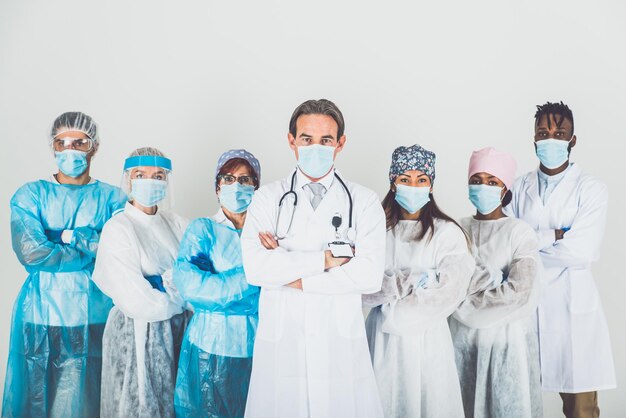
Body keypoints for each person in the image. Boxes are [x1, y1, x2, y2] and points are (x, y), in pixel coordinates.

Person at [240, 99, 385, 417]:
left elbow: (369, 275)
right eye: (306, 139)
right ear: (291, 140)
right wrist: (326, 260)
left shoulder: (363, 201)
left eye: (326, 140)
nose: (315, 147)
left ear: (341, 143)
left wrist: (291, 273)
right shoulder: (267, 199)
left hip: (338, 342)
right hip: (283, 340)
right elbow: (256, 269)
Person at [2, 112, 125, 418]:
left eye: (79, 142)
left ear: (93, 147)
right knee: (35, 402)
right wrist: (88, 243)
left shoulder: (113, 199)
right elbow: (33, 252)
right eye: (62, 142)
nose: (70, 149)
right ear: (53, 147)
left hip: (93, 315)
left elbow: (116, 249)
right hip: (40, 313)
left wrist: (63, 236)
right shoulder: (30, 195)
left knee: (85, 404)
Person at [506, 102, 616, 418]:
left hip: (572, 311)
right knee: (517, 399)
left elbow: (582, 251)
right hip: (527, 306)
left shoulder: (591, 188)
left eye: (560, 133)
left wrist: (531, 244)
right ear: (534, 140)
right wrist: (555, 234)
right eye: (544, 133)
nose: (551, 138)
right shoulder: (517, 187)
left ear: (573, 140)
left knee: (581, 408)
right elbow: (508, 247)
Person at [362, 144, 475, 418]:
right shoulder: (373, 231)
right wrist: (412, 280)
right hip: (381, 342)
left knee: (429, 404)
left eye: (421, 180)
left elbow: (450, 291)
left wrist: (392, 298)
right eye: (405, 179)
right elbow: (361, 287)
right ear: (393, 183)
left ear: (431, 185)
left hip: (428, 342)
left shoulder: (447, 234)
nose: (413, 186)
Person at [91, 147, 189, 418]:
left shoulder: (176, 223)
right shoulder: (119, 228)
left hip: (177, 333)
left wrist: (164, 285)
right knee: (138, 405)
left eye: (158, 175)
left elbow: (196, 277)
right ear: (127, 179)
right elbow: (138, 300)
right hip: (136, 334)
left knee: (174, 405)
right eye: (141, 174)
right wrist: (179, 294)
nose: (151, 181)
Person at [449, 147, 542, 418]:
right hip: (462, 342)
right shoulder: (456, 229)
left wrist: (466, 300)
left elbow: (520, 292)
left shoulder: (519, 232)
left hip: (507, 344)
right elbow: (448, 284)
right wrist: (495, 281)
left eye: (492, 182)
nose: (483, 187)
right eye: (476, 180)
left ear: (505, 188)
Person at [173, 149, 262, 417]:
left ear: (256, 187)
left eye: (245, 180)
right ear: (217, 187)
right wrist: (255, 275)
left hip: (258, 345)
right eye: (228, 178)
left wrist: (222, 285)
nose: (237, 186)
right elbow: (193, 288)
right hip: (208, 348)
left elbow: (283, 285)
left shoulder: (267, 233)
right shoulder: (203, 230)